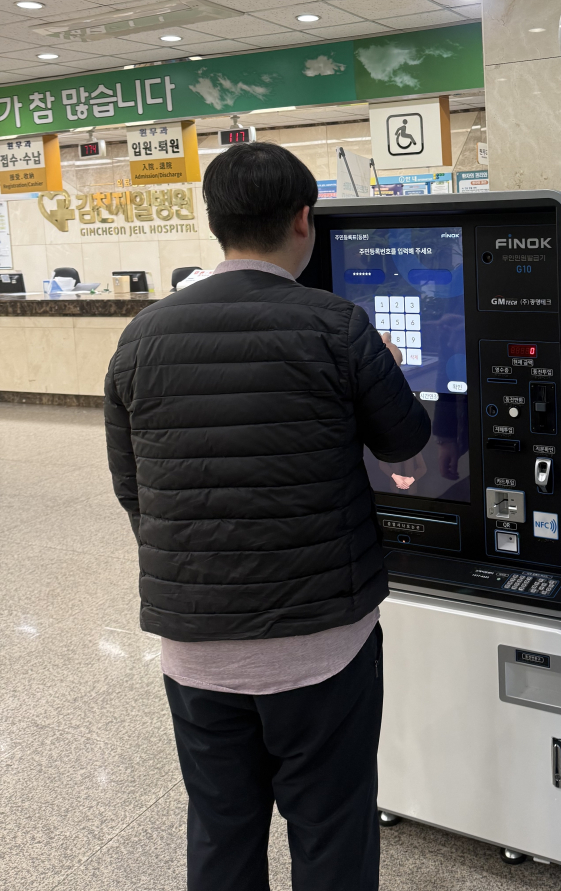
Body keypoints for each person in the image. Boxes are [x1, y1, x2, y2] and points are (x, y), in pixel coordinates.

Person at [104, 141, 431, 891]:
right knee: (332, 831)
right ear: (303, 220)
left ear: (214, 222)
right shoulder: (338, 325)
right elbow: (406, 441)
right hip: (323, 645)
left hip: (195, 648)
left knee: (222, 829)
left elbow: (133, 489)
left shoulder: (141, 335)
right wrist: (389, 369)